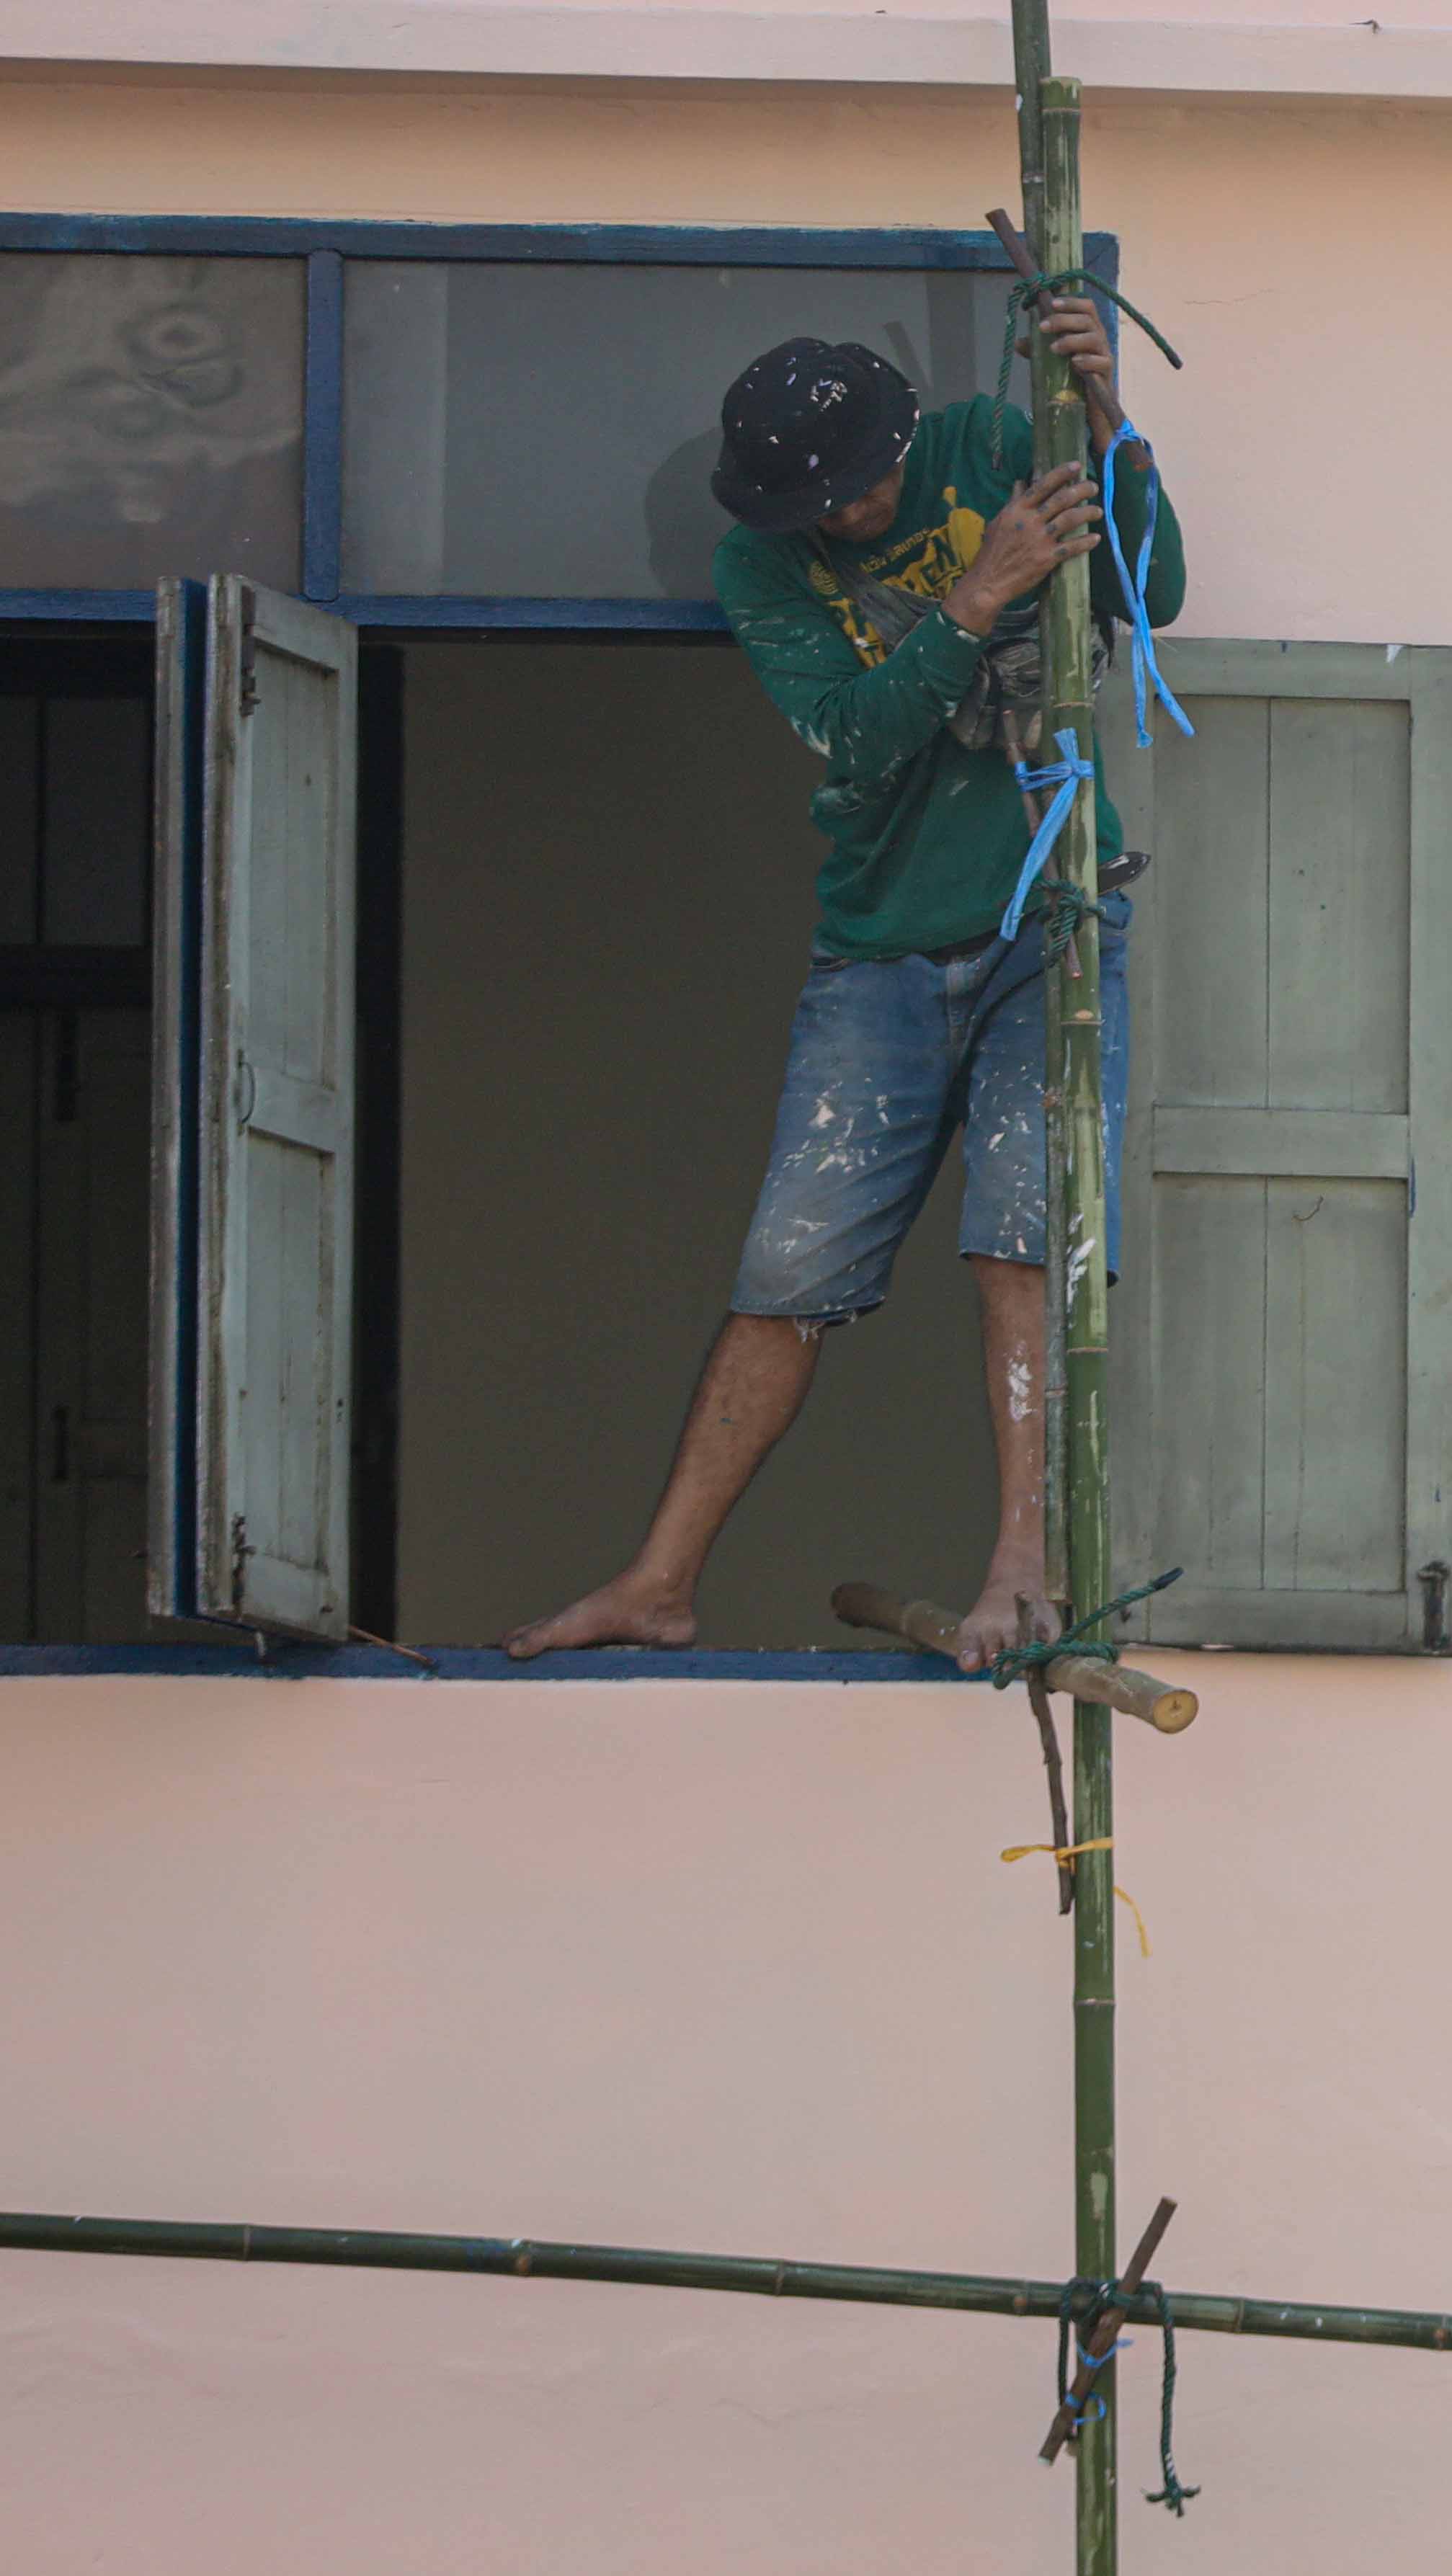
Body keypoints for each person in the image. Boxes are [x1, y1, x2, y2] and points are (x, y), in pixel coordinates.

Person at [506, 293, 1184, 1667]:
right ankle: (661, 1579)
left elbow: (1148, 589)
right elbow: (861, 738)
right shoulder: (762, 572)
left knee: (1021, 1244)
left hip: (1048, 913)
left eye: (865, 482)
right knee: (790, 1272)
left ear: (902, 440)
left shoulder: (995, 439)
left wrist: (1109, 417)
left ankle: (1020, 1568)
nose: (852, 513)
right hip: (878, 949)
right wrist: (980, 591)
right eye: (820, 501)